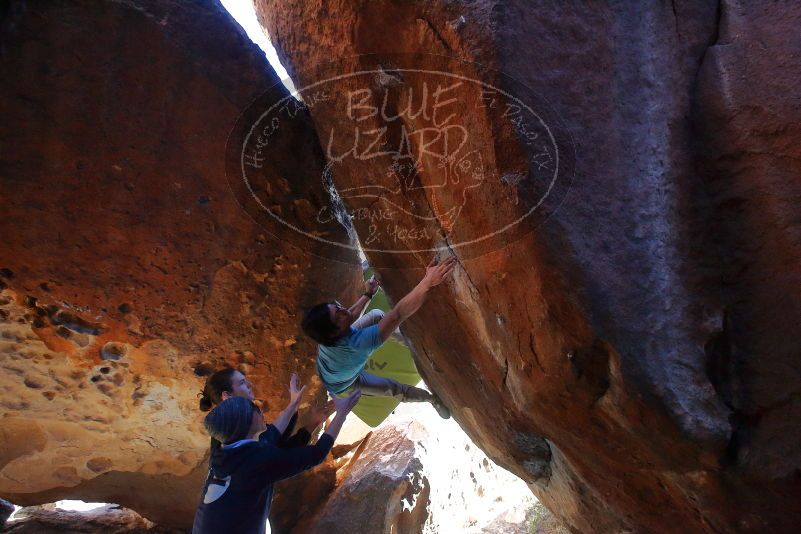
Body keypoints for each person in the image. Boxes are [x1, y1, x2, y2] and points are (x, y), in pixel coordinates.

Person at [301, 256, 457, 418]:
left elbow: (349, 315)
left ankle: (411, 344)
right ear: (333, 333)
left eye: (337, 307)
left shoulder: (327, 334)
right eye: (337, 316)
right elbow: (397, 314)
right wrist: (427, 282)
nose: (343, 311)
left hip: (333, 367)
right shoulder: (358, 344)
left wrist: (368, 294)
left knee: (375, 315)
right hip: (347, 383)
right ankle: (432, 400)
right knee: (393, 389)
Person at [192, 390, 361, 534]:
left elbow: (271, 435)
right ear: (249, 422)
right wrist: (342, 414)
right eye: (255, 409)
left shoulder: (224, 451)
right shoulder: (257, 462)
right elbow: (317, 454)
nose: (261, 411)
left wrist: (296, 404)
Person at [199, 368, 333, 450]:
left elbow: (274, 437)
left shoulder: (235, 420)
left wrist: (294, 405)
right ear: (227, 396)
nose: (250, 384)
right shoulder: (231, 434)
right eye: (242, 383)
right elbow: (279, 451)